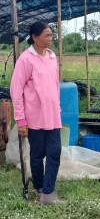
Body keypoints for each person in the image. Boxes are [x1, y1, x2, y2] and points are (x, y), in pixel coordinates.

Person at [10, 21, 65, 205]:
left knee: (54, 152)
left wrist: (57, 107)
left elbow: (55, 85)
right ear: (35, 37)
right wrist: (20, 119)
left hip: (53, 115)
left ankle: (48, 193)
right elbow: (16, 91)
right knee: (37, 155)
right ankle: (39, 187)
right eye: (47, 35)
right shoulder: (26, 59)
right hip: (34, 117)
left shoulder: (51, 56)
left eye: (51, 35)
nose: (51, 39)